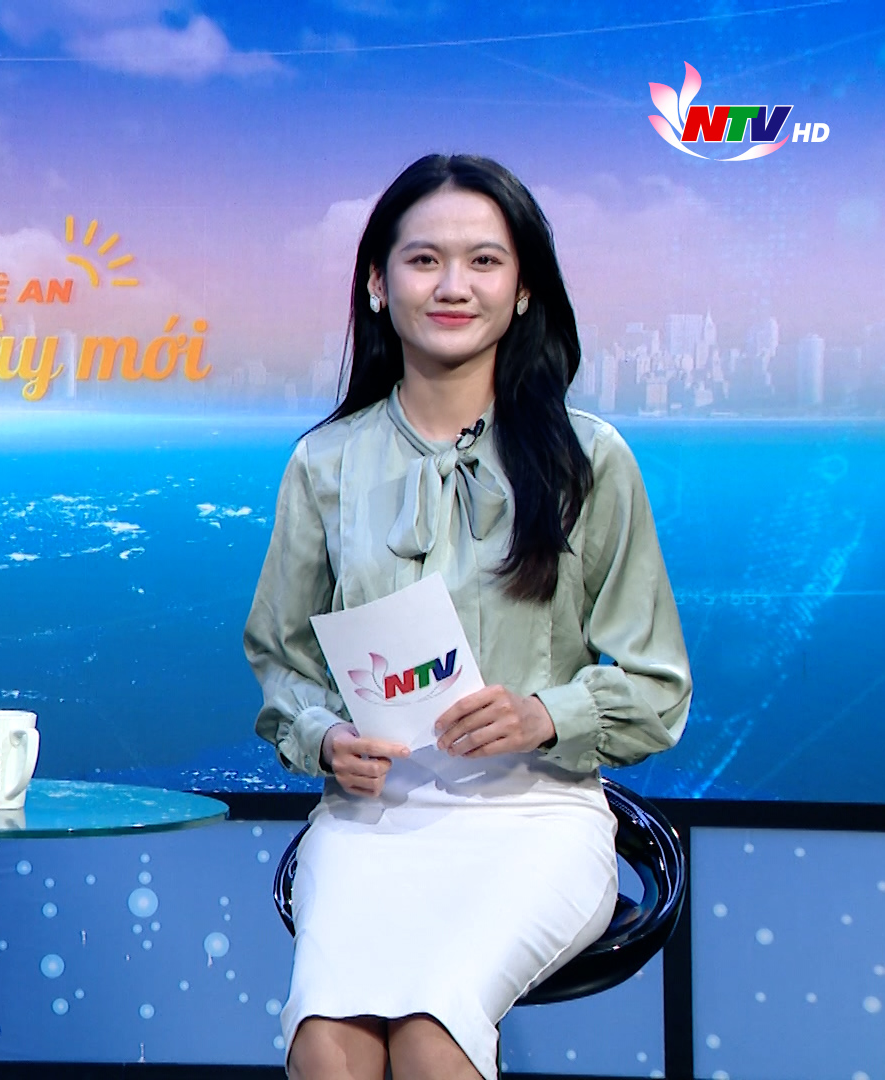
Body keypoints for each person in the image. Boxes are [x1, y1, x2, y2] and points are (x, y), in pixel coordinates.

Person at [243, 154, 690, 1080]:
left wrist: (544, 713)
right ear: (378, 284)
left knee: (430, 1032)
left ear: (523, 290)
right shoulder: (324, 464)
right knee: (327, 1042)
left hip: (536, 815)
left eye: (485, 261)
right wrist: (325, 738)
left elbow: (659, 689)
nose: (454, 286)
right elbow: (282, 664)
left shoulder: (591, 460)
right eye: (424, 260)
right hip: (374, 820)